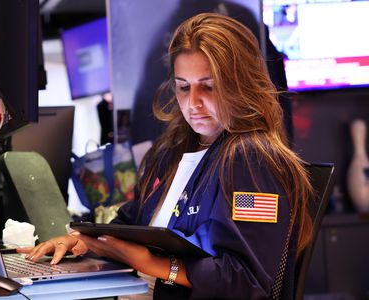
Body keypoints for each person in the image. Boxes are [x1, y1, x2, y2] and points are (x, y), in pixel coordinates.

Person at [17, 13, 313, 299]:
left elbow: (246, 281)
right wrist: (81, 241)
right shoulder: (173, 151)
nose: (193, 102)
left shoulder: (252, 159)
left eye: (208, 86)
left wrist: (151, 264)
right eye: (184, 87)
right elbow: (131, 222)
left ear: (241, 84)